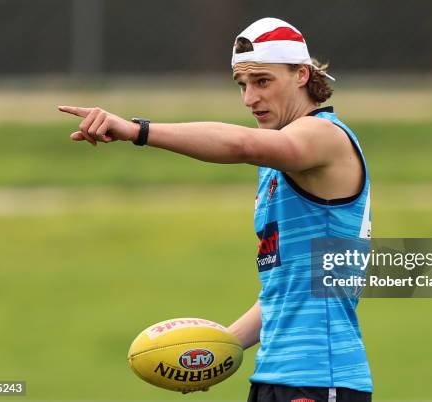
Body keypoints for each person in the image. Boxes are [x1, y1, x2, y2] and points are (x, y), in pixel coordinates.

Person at [59, 17, 372, 402]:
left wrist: (137, 131)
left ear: (301, 75)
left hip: (321, 378)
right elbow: (286, 293)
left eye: (262, 81)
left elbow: (241, 144)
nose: (249, 98)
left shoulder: (324, 136)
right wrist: (218, 349)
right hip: (278, 376)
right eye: (242, 85)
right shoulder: (276, 164)